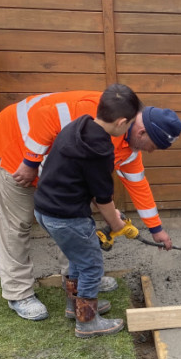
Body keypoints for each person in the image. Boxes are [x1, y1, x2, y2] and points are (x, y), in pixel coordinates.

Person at [0, 90, 181, 320]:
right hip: (16, 149)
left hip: (57, 172)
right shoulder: (94, 112)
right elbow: (44, 117)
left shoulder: (128, 144)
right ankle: (19, 293)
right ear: (141, 132)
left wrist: (156, 229)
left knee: (73, 224)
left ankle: (78, 283)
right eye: (153, 146)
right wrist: (30, 162)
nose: (150, 151)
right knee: (18, 225)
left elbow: (138, 186)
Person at [33, 84, 140, 338]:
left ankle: (76, 307)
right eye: (130, 124)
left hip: (45, 210)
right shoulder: (100, 150)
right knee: (91, 265)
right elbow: (102, 198)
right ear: (121, 122)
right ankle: (87, 322)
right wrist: (116, 224)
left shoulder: (77, 126)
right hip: (67, 217)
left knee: (76, 259)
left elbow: (87, 183)